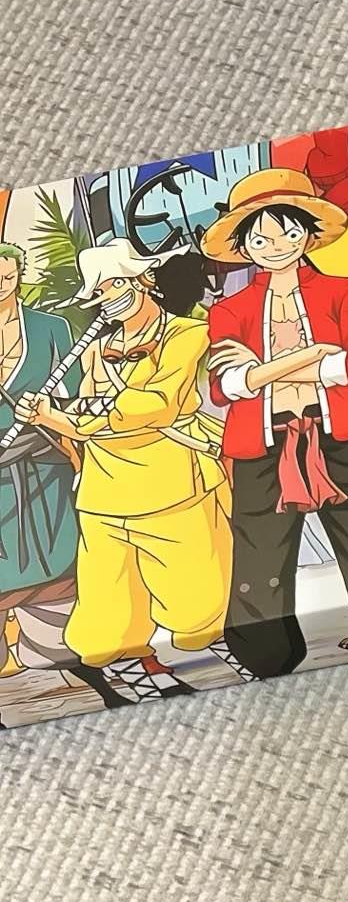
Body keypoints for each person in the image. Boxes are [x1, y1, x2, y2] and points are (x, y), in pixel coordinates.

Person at [202, 168, 348, 677]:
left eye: (287, 232)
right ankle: (263, 652)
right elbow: (224, 387)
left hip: (336, 432)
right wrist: (312, 355)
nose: (276, 246)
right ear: (243, 246)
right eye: (260, 239)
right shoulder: (230, 309)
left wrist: (264, 370)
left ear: (307, 234)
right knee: (259, 547)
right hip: (261, 442)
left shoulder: (341, 292)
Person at [16, 239, 244, 701]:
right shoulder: (96, 349)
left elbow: (155, 406)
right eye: (100, 291)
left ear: (144, 280)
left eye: (117, 283)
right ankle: (133, 668)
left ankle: (231, 657)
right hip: (105, 489)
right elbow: (86, 412)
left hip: (171, 481)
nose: (110, 297)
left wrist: (67, 418)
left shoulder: (186, 334)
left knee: (196, 597)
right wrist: (50, 413)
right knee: (108, 600)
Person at [0, 239, 83, 681]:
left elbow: (73, 391)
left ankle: (48, 645)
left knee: (56, 544)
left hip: (44, 456)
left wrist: (53, 416)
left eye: (8, 277)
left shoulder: (50, 327)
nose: (1, 285)